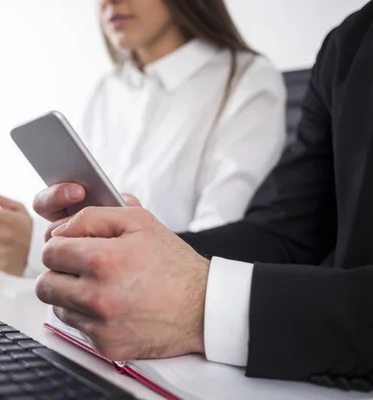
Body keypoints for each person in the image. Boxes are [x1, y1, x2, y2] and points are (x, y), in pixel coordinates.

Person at [30, 1, 373, 391]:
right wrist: (132, 252)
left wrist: (200, 302)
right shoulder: (350, 43)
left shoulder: (243, 77)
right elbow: (288, 233)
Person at [0, 0, 286, 277]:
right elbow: (80, 213)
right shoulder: (109, 89)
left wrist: (34, 251)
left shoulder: (247, 81)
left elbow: (216, 252)